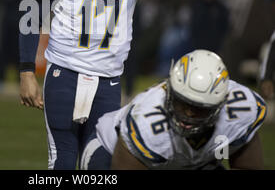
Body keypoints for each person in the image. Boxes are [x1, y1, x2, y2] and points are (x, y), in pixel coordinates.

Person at [19, 0, 213, 169]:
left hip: (109, 81)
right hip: (64, 74)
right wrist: (27, 72)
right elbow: (31, 17)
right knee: (61, 160)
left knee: (99, 163)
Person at [80, 50, 266, 170]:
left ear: (220, 105)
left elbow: (247, 166)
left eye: (198, 108)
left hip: (189, 162)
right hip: (111, 150)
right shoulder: (147, 124)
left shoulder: (240, 111)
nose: (188, 114)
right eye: (182, 103)